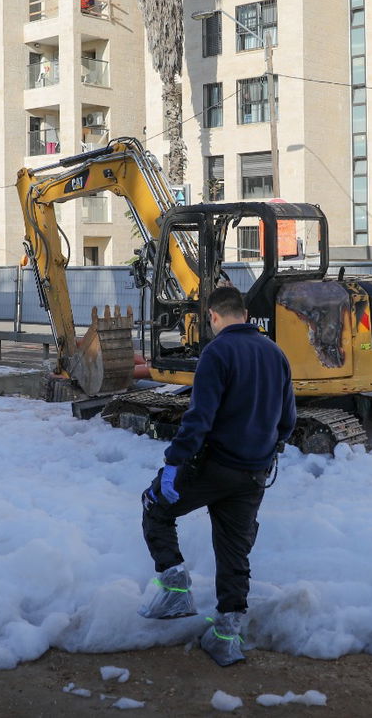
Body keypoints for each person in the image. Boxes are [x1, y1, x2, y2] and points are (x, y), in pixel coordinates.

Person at [137, 285, 297, 666]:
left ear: (213, 316)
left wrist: (175, 463)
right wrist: (264, 453)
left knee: (155, 507)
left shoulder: (217, 351)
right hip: (254, 474)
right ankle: (226, 636)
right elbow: (288, 421)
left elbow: (199, 419)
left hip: (214, 466)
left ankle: (175, 591)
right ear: (244, 313)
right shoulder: (276, 354)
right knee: (234, 552)